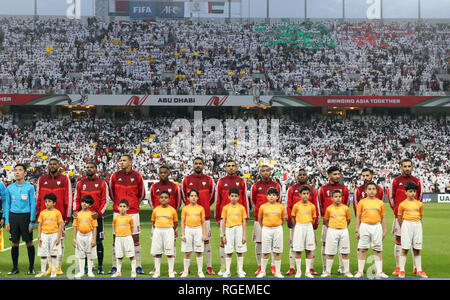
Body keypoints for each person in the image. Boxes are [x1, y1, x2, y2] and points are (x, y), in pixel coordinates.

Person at [109, 154, 145, 275]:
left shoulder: (137, 176)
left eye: (124, 161)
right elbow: (112, 193)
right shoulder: (115, 176)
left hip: (133, 212)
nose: (121, 163)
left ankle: (138, 265)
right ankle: (114, 266)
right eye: (121, 160)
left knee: (135, 237)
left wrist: (132, 204)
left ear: (130, 162)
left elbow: (141, 194)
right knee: (116, 237)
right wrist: (120, 206)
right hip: (118, 212)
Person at [36, 158, 73, 275]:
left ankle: (58, 267)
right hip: (45, 218)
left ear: (58, 166)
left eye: (54, 164)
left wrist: (67, 217)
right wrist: (38, 214)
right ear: (48, 166)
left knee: (59, 242)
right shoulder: (41, 179)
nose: (52, 166)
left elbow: (69, 198)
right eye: (50, 164)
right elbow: (38, 198)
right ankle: (50, 267)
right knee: (45, 244)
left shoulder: (64, 179)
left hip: (59, 217)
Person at [181, 157, 215, 275]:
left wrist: (204, 206)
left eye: (200, 164)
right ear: (193, 165)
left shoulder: (209, 180)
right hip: (190, 218)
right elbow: (184, 197)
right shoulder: (186, 180)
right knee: (188, 243)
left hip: (204, 217)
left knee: (206, 241)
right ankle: (187, 267)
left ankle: (209, 266)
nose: (198, 165)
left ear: (204, 166)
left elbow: (212, 197)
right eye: (196, 163)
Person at [73, 161, 109, 274]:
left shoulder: (102, 183)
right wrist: (76, 212)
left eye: (92, 167)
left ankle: (100, 266)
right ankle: (86, 267)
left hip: (96, 218)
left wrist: (98, 213)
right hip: (83, 218)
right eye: (87, 167)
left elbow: (105, 200)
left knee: (98, 242)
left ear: (96, 169)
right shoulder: (80, 183)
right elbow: (76, 199)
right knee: (83, 242)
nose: (89, 169)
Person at [388, 158, 422, 275]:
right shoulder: (396, 181)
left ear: (412, 167)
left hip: (413, 217)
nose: (407, 168)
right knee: (398, 240)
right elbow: (391, 197)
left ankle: (416, 267)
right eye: (405, 166)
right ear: (401, 167)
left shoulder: (417, 181)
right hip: (400, 217)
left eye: (409, 166)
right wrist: (396, 211)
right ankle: (398, 267)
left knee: (414, 242)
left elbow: (420, 197)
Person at [215, 160, 249, 275]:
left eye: (233, 166)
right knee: (223, 243)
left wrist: (246, 218)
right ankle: (223, 267)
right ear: (225, 168)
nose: (230, 168)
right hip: (225, 219)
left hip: (238, 221)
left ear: (236, 168)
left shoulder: (241, 182)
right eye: (228, 166)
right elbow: (217, 201)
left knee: (239, 247)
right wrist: (217, 218)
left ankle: (240, 269)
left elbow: (244, 200)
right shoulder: (221, 181)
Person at [3, 164, 37, 275]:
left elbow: (33, 205)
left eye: (20, 170)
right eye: (15, 170)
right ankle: (15, 268)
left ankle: (31, 267)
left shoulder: (30, 187)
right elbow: (7, 205)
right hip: (13, 217)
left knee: (29, 242)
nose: (17, 172)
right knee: (14, 243)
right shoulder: (9, 188)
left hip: (26, 217)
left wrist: (32, 221)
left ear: (25, 173)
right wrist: (7, 221)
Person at [286, 168, 319, 276]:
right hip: (296, 223)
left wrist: (315, 222)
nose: (302, 176)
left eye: (304, 174)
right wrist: (290, 221)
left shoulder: (312, 190)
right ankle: (292, 268)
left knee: (310, 246)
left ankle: (310, 268)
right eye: (300, 174)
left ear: (307, 176)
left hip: (308, 223)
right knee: (294, 245)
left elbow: (316, 206)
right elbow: (289, 205)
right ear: (297, 176)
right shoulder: (292, 188)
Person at [149, 165, 181, 275]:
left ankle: (171, 269)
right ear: (158, 174)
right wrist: (158, 213)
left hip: (170, 222)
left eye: (165, 172)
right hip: (158, 221)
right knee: (156, 246)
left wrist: (171, 215)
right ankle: (155, 268)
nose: (163, 174)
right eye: (161, 172)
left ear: (169, 174)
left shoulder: (175, 187)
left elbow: (178, 202)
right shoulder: (154, 186)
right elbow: (151, 202)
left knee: (172, 244)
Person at [318, 166, 350, 274]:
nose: (337, 176)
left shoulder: (344, 188)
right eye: (335, 174)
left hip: (341, 223)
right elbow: (320, 205)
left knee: (342, 246)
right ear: (329, 176)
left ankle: (342, 267)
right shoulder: (323, 189)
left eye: (338, 174)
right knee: (325, 244)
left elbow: (347, 204)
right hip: (327, 223)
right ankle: (325, 266)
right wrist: (326, 219)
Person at [250, 165, 280, 276]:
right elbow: (253, 201)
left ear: (270, 172)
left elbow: (279, 200)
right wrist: (257, 213)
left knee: (272, 243)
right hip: (259, 220)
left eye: (267, 170)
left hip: (272, 219)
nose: (265, 173)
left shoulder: (276, 185)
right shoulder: (255, 186)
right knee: (259, 242)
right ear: (260, 173)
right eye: (263, 171)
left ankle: (273, 265)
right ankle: (260, 266)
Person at [354, 182, 388, 278]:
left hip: (377, 227)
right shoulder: (362, 202)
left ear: (376, 191)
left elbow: (383, 217)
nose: (371, 191)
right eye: (369, 189)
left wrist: (384, 230)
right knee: (363, 249)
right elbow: (358, 217)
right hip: (364, 226)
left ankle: (379, 272)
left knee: (377, 249)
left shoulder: (380, 203)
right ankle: (360, 271)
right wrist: (357, 230)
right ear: (366, 191)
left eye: (373, 189)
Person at [397, 181, 427, 278]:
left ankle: (419, 270)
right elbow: (399, 217)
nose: (412, 193)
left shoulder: (419, 204)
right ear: (405, 192)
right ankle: (402, 270)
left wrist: (416, 223)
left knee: (417, 249)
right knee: (405, 248)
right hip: (406, 225)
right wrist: (404, 226)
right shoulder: (402, 204)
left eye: (414, 191)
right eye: (410, 191)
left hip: (417, 225)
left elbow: (421, 215)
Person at [321, 189, 353, 278]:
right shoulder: (329, 209)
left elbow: (348, 220)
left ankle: (346, 271)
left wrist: (342, 226)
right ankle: (328, 271)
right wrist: (332, 227)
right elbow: (326, 220)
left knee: (345, 252)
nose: (338, 198)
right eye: (336, 197)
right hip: (332, 231)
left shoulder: (345, 208)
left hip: (343, 231)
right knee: (330, 252)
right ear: (332, 198)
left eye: (339, 197)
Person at [257, 188, 285, 278]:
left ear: (277, 197)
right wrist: (265, 227)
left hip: (277, 229)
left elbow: (283, 219)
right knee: (265, 251)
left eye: (273, 195)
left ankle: (278, 272)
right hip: (266, 229)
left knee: (277, 251)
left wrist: (276, 225)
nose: (271, 196)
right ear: (267, 196)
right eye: (269, 195)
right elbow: (260, 219)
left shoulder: (281, 206)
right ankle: (263, 271)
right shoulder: (263, 207)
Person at [221, 188, 248, 278]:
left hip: (239, 229)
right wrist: (223, 235)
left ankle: (240, 270)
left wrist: (244, 235)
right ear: (229, 197)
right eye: (232, 196)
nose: (233, 198)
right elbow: (223, 222)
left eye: (236, 196)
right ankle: (227, 270)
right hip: (229, 230)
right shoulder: (225, 208)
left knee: (240, 251)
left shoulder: (242, 208)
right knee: (228, 251)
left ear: (239, 197)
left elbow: (244, 221)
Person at [150, 191, 178, 278]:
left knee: (170, 252)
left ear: (169, 199)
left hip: (169, 231)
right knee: (157, 252)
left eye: (166, 197)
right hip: (158, 231)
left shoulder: (172, 210)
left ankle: (171, 272)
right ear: (159, 199)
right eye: (162, 197)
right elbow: (153, 222)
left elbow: (175, 222)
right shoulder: (156, 210)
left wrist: (170, 230)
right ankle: (157, 272)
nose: (163, 199)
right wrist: (158, 228)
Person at [291, 185, 317, 278]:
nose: (305, 195)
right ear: (300, 194)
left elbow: (314, 218)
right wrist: (297, 226)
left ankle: (307, 271)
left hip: (309, 227)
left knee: (309, 250)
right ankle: (298, 271)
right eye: (303, 194)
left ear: (309, 194)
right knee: (298, 250)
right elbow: (293, 217)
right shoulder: (296, 205)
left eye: (307, 194)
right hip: (299, 227)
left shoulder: (312, 206)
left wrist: (309, 225)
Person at [35, 193, 63, 278]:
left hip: (54, 235)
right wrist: (39, 237)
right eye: (46, 201)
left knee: (54, 253)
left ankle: (53, 271)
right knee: (43, 254)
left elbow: (60, 225)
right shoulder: (42, 213)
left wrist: (58, 237)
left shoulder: (57, 213)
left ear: (54, 203)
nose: (47, 203)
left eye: (49, 201)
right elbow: (39, 225)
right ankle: (43, 271)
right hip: (44, 235)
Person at [180, 189, 206, 278]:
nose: (193, 197)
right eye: (191, 196)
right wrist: (182, 234)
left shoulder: (201, 208)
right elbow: (182, 222)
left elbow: (203, 222)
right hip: (188, 230)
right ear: (188, 198)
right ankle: (185, 271)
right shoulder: (185, 208)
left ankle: (200, 271)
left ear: (198, 197)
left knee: (199, 251)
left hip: (198, 230)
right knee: (187, 252)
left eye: (195, 196)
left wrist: (204, 234)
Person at [72, 195, 98, 278]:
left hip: (89, 236)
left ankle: (90, 271)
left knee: (89, 254)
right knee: (81, 255)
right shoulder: (77, 215)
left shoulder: (92, 215)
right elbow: (75, 227)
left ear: (90, 205)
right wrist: (74, 239)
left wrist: (94, 239)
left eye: (87, 203)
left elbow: (94, 228)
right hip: (80, 236)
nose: (84, 204)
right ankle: (81, 271)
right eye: (83, 202)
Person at [111, 199, 136, 278]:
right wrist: (118, 236)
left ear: (127, 208)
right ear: (118, 207)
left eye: (124, 206)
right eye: (121, 206)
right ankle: (118, 271)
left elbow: (132, 228)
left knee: (131, 255)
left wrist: (128, 235)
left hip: (127, 238)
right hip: (118, 238)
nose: (122, 208)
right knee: (119, 256)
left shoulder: (130, 218)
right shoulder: (116, 218)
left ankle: (133, 271)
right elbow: (114, 227)